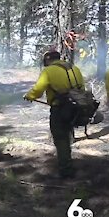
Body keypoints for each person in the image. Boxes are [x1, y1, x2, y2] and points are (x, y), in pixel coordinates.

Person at [23, 51, 85, 179]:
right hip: (76, 107)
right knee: (67, 134)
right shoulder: (74, 68)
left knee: (60, 138)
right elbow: (82, 88)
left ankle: (66, 171)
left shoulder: (49, 71)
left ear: (48, 60)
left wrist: (29, 96)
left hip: (60, 109)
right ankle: (67, 160)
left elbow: (38, 90)